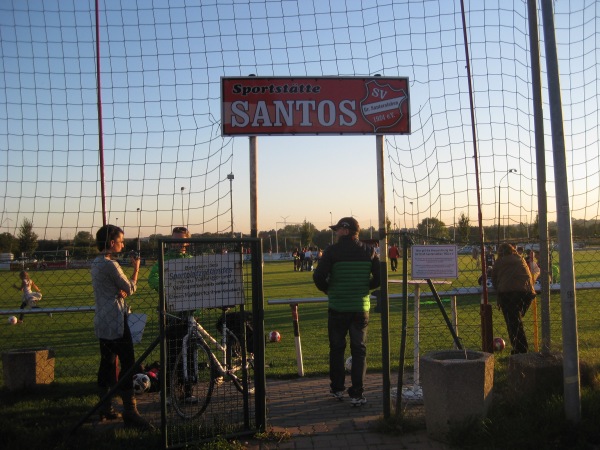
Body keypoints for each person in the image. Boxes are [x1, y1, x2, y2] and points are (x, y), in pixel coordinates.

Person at [313, 217, 380, 407]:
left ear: (345, 230)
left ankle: (337, 389)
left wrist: (328, 289)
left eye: (337, 230)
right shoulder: (369, 250)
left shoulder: (332, 251)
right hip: (360, 308)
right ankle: (357, 393)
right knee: (359, 351)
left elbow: (318, 276)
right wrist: (364, 288)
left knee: (336, 349)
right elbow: (379, 277)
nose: (335, 233)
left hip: (338, 307)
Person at [91, 224, 153, 429]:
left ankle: (105, 407)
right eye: (120, 241)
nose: (123, 244)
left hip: (102, 319)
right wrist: (136, 269)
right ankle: (130, 411)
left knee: (106, 363)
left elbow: (115, 289)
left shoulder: (96, 263)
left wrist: (121, 291)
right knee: (128, 363)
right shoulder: (112, 264)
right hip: (116, 320)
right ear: (111, 243)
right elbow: (130, 287)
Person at [148, 226, 197, 402]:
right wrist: (170, 289)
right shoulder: (164, 259)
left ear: (187, 242)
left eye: (181, 239)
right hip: (172, 315)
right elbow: (152, 279)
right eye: (174, 239)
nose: (177, 243)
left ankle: (188, 390)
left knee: (190, 354)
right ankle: (168, 391)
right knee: (172, 355)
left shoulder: (191, 260)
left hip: (190, 315)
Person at [491, 243, 536, 354]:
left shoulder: (499, 262)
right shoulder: (520, 259)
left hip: (508, 294)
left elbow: (494, 279)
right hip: (526, 294)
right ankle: (520, 348)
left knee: (513, 324)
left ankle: (520, 349)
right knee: (516, 322)